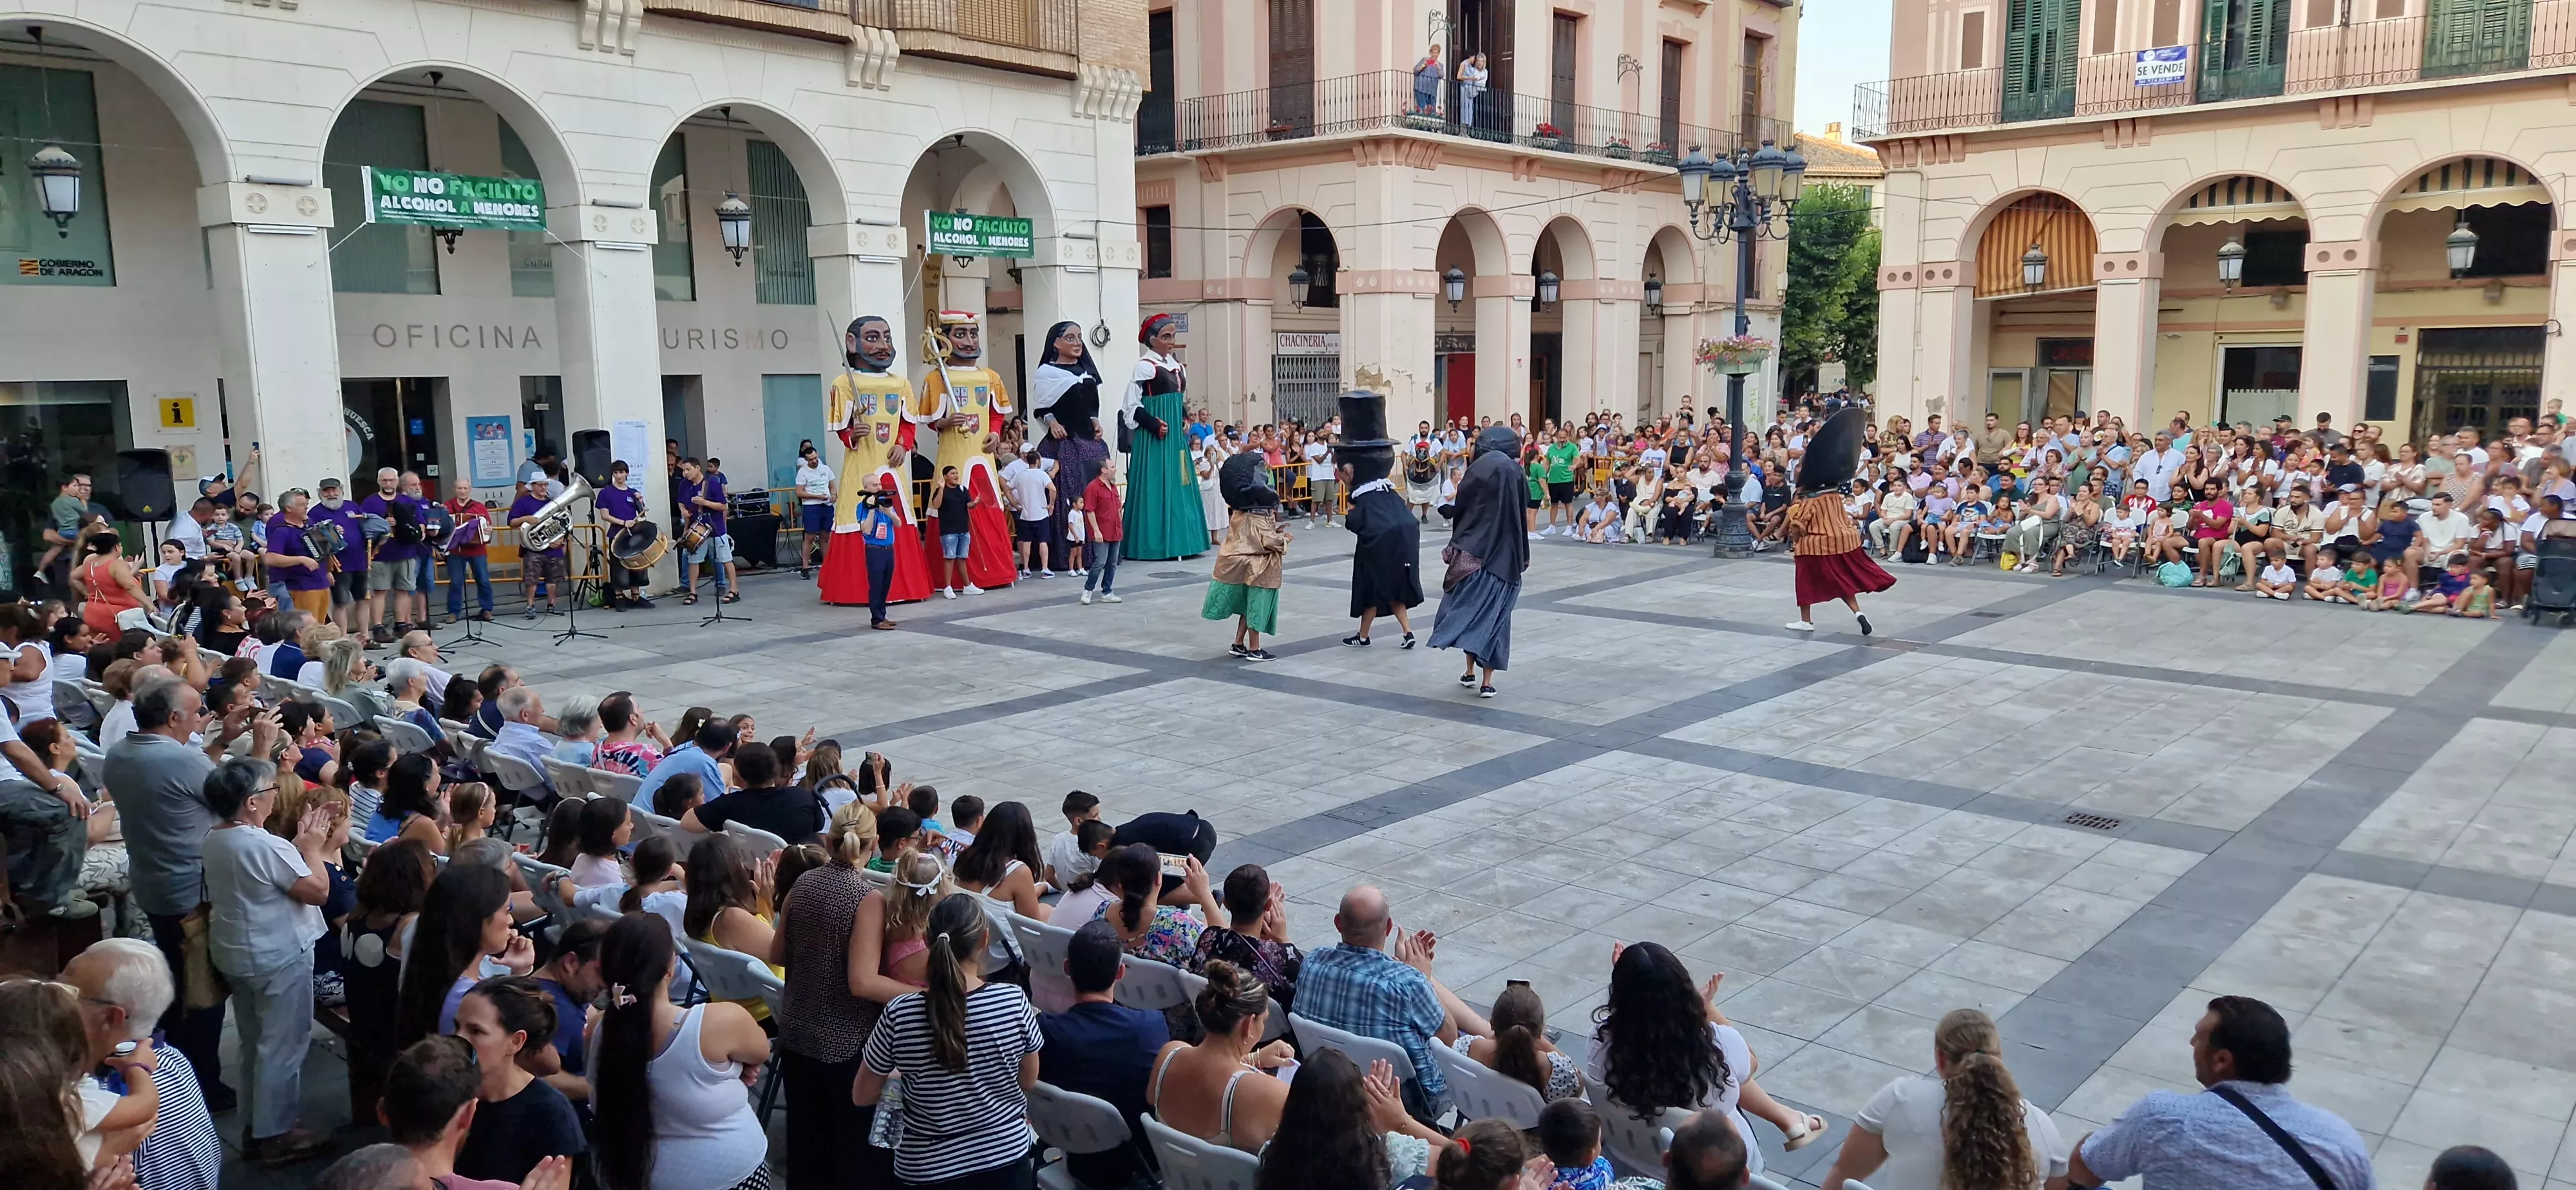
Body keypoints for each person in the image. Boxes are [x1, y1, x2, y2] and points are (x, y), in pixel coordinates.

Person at [105, 677, 272, 1112]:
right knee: (202, 994)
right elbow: (244, 798)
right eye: (198, 711)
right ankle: (202, 1085)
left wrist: (222, 741)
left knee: (178, 983)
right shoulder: (178, 760)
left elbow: (190, 787)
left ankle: (174, 1067)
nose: (203, 719)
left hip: (153, 881)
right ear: (174, 717)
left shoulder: (122, 751)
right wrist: (262, 745)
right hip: (190, 891)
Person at [2066, 996, 2371, 1190]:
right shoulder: (2339, 1140)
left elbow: (2084, 1170)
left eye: (2198, 1039)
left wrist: (2093, 1145)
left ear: (2222, 1060)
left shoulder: (2164, 1118)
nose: (2191, 1044)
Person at [855, 892, 1046, 1189]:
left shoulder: (899, 1013)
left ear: (928, 941)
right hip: (1007, 1161)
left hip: (927, 1169)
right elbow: (1028, 1080)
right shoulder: (1013, 1002)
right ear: (984, 940)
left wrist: (899, 1078)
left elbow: (862, 1095)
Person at [1586, 941, 1821, 1181]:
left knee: (1725, 1072)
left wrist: (1630, 981)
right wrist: (1703, 1008)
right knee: (1728, 1073)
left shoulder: (1600, 1040)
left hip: (1633, 1157)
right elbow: (1750, 1063)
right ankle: (1788, 1119)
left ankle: (1787, 1118)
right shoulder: (1716, 1044)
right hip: (1714, 1167)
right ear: (1684, 989)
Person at [199, 756, 336, 1164]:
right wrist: (311, 848)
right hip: (277, 954)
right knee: (283, 1044)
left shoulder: (215, 836)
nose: (276, 796)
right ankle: (275, 1133)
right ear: (252, 802)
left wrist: (298, 848)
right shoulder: (263, 844)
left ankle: (256, 1122)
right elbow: (317, 891)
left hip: (238, 951)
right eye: (269, 790)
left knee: (255, 1040)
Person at [591, 911, 772, 1190]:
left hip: (632, 1176)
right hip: (733, 1178)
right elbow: (759, 1050)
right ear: (669, 969)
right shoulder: (718, 1023)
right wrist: (734, 1067)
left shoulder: (599, 1029)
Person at [1298, 885, 1491, 1119]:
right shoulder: (1407, 984)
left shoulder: (1312, 963)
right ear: (1389, 928)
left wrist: (1407, 971)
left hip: (1335, 1086)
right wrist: (1425, 979)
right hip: (1412, 1100)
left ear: (1338, 923)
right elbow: (1450, 1039)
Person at [1818, 1008, 2066, 1190]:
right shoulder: (2041, 1125)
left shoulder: (1899, 1099)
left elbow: (1845, 1173)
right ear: (1999, 1057)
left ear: (1940, 1058)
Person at [64, 938, 223, 1190]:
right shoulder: (171, 1058)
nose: (52, 993)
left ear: (110, 1017)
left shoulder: (112, 1096)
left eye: (68, 991)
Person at [1043, 921, 1172, 1187]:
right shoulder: (1150, 1026)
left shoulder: (1045, 1031)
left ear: (1067, 968)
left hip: (1080, 1162)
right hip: (1140, 1167)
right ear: (1121, 972)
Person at [821, 316, 935, 611]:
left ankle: (904, 585)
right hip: (861, 464)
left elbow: (909, 423)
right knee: (857, 515)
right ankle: (856, 590)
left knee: (900, 515)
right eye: (873, 338)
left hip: (892, 465)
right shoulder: (843, 383)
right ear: (852, 342)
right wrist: (851, 435)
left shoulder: (901, 383)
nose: (883, 345)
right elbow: (841, 428)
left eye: (887, 337)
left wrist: (902, 445)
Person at [909, 309, 1019, 590]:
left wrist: (995, 433)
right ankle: (953, 580)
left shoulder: (990, 377)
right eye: (960, 334)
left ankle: (997, 572)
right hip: (953, 453)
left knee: (989, 505)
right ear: (944, 340)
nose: (969, 341)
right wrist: (946, 422)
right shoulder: (936, 378)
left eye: (973, 334)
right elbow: (931, 421)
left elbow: (997, 415)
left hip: (982, 455)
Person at [451, 977, 589, 1185]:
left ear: (516, 1042)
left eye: (476, 1031)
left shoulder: (550, 1115)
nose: (459, 1040)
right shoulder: (449, 1091)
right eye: (457, 1027)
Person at [1430, 426, 1531, 698]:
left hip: (1472, 557)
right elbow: (1522, 513)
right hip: (1503, 562)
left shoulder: (1476, 472)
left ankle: (1470, 672)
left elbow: (1462, 513)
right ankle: (1486, 680)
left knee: (1472, 614)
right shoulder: (1513, 472)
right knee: (1496, 619)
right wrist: (1522, 555)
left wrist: (1457, 545)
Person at [1783, 408, 1894, 634]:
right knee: (1842, 581)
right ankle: (1858, 613)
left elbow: (1798, 527)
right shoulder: (1834, 496)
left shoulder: (1806, 501)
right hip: (1843, 541)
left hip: (1813, 546)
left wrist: (1794, 542)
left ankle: (1806, 621)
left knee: (1805, 584)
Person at [1336, 393, 1424, 648]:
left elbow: (1356, 523)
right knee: (1384, 591)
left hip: (1377, 549)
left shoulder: (1364, 496)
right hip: (1401, 542)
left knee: (1375, 591)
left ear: (1350, 470)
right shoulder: (1387, 492)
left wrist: (1351, 513)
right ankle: (1391, 633)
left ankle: (1371, 636)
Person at [1123, 313, 1211, 560]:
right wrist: (1152, 424)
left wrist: (1184, 416)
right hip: (1155, 438)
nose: (1171, 341)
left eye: (1173, 336)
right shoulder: (1145, 366)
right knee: (1156, 484)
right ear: (1152, 340)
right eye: (1166, 336)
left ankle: (1185, 542)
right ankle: (1155, 544)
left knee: (1182, 480)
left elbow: (1178, 399)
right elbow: (1131, 405)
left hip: (1176, 439)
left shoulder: (1176, 366)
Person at [1206, 451, 1293, 661]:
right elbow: (1266, 542)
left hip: (1244, 565)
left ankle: (1238, 644)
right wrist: (1285, 539)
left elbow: (1255, 536)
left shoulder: (1240, 513)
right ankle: (1255, 649)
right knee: (1256, 607)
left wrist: (1276, 530)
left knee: (1248, 606)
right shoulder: (1255, 515)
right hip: (1259, 569)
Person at [1188, 863, 1303, 1012]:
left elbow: (1229, 936)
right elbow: (1308, 976)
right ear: (1268, 906)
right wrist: (1283, 940)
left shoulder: (1209, 938)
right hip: (1269, 1034)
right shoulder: (1283, 958)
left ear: (1225, 904)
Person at [673, 458, 735, 606]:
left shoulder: (712, 483)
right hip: (697, 526)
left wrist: (705, 503)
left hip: (715, 526)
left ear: (697, 468)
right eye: (683, 470)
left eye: (688, 470)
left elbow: (723, 506)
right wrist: (683, 511)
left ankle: (734, 590)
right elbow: (681, 501)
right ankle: (693, 592)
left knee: (725, 558)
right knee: (693, 560)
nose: (685, 473)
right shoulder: (684, 484)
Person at [509, 476, 571, 618]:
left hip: (553, 548)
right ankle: (530, 606)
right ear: (532, 486)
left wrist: (561, 539)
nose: (544, 488)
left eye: (545, 485)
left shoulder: (553, 503)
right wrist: (525, 519)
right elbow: (511, 522)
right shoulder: (523, 503)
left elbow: (563, 524)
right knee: (532, 578)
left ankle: (551, 605)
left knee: (554, 578)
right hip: (533, 548)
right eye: (540, 485)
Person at [440, 477, 500, 621]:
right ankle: (453, 612)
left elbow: (487, 525)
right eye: (459, 488)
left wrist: (488, 530)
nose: (462, 491)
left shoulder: (479, 507)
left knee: (483, 580)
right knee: (456, 582)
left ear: (470, 490)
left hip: (477, 550)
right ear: (455, 490)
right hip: (456, 550)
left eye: (465, 488)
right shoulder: (447, 506)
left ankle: (486, 609)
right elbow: (442, 527)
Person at [792, 441, 837, 578]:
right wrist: (817, 496)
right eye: (811, 460)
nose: (814, 461)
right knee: (810, 536)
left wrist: (834, 495)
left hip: (827, 505)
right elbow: (799, 492)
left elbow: (832, 486)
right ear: (806, 460)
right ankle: (805, 566)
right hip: (811, 505)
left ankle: (828, 564)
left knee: (825, 536)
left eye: (816, 458)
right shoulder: (803, 472)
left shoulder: (825, 469)